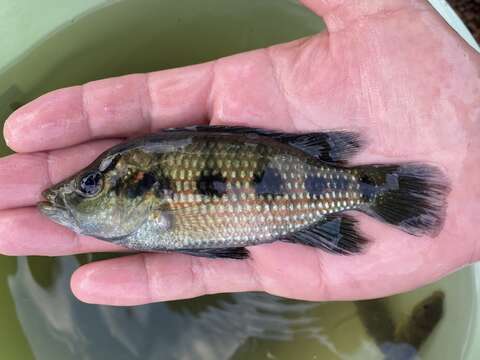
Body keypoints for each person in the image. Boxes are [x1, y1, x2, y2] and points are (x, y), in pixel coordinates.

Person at [0, 0, 478, 306]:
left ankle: (374, 190)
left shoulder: (142, 174)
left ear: (140, 187)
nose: (73, 193)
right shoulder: (142, 177)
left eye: (89, 185)